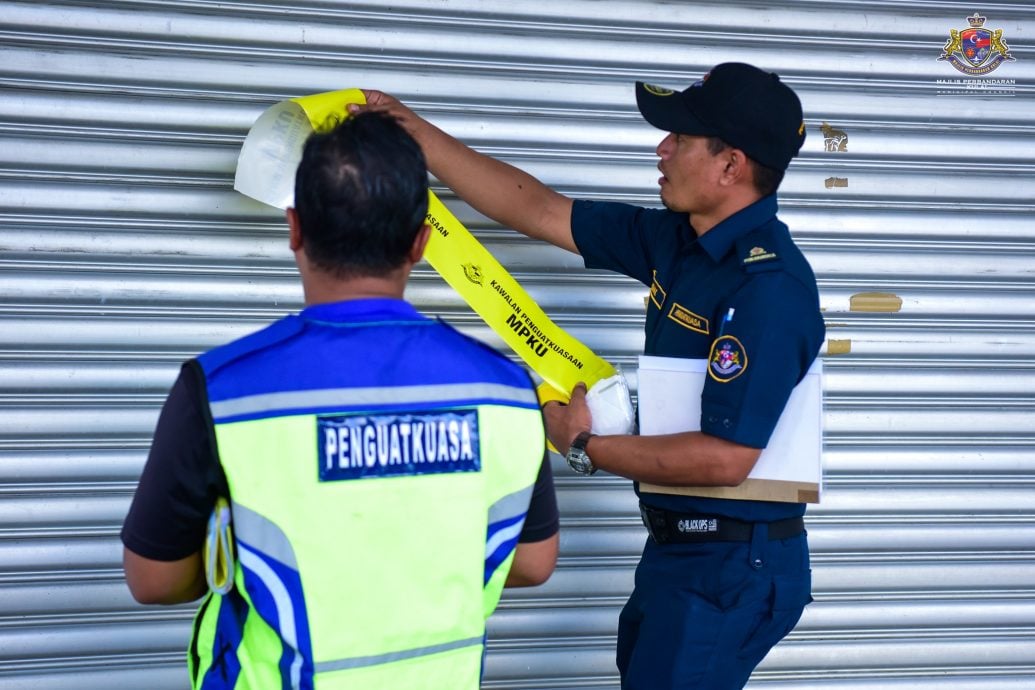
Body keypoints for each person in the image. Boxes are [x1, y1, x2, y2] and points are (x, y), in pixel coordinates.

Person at [354, 62, 824, 689]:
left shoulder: (769, 288)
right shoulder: (678, 240)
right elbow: (543, 211)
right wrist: (416, 134)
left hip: (733, 563)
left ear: (730, 165)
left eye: (679, 139)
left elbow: (725, 459)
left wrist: (582, 445)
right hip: (686, 553)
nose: (662, 149)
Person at [121, 111, 560, 690]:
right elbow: (532, 561)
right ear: (421, 241)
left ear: (295, 228)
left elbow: (153, 580)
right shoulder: (505, 389)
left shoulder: (222, 388)